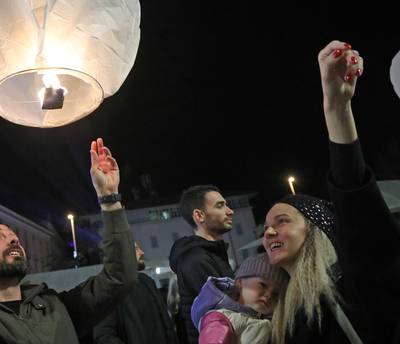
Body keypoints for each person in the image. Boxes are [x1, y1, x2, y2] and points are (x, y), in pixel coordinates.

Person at [0, 138, 137, 343]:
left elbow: (120, 277)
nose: (13, 240)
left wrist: (109, 199)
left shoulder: (57, 308)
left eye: (13, 236)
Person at [262, 40, 400, 343]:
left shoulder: (352, 285)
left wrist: (337, 109)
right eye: (267, 226)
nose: (268, 232)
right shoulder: (280, 309)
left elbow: (361, 215)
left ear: (317, 230)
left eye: (282, 221)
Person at [168, 185, 235, 343]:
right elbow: (227, 316)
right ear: (199, 215)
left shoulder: (209, 253)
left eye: (226, 204)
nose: (230, 211)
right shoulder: (196, 259)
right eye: (220, 205)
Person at [191, 253, 289, 344]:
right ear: (240, 282)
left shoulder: (270, 323)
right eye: (263, 285)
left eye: (276, 294)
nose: (269, 295)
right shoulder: (221, 318)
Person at [93, 241, 178, 344]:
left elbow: (166, 324)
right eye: (136, 249)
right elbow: (104, 336)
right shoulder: (108, 291)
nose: (142, 252)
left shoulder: (147, 281)